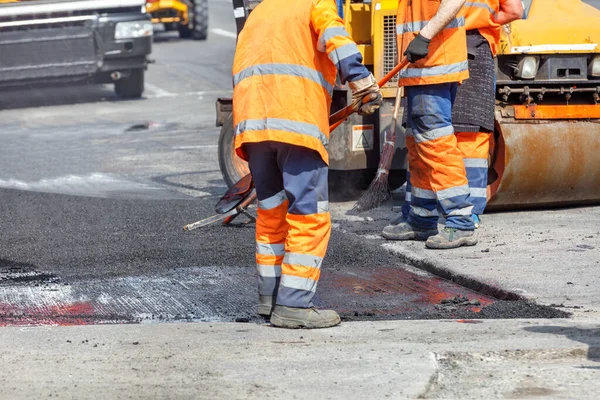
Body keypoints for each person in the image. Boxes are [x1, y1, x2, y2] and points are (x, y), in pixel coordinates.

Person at [232, 0, 382, 328]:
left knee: (272, 214)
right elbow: (338, 42)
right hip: (295, 123)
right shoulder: (315, 4)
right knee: (308, 214)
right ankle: (295, 305)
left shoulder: (259, 13)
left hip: (253, 127)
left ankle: (270, 299)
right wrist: (362, 82)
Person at [383, 0, 523, 236]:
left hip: (439, 49)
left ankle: (459, 217)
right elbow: (514, 10)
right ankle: (424, 216)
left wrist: (431, 33)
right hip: (439, 51)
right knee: (425, 139)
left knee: (438, 138)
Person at [381, 0, 476, 249]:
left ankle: (460, 221)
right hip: (421, 67)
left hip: (435, 63)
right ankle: (422, 218)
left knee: (436, 143)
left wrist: (424, 36)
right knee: (418, 143)